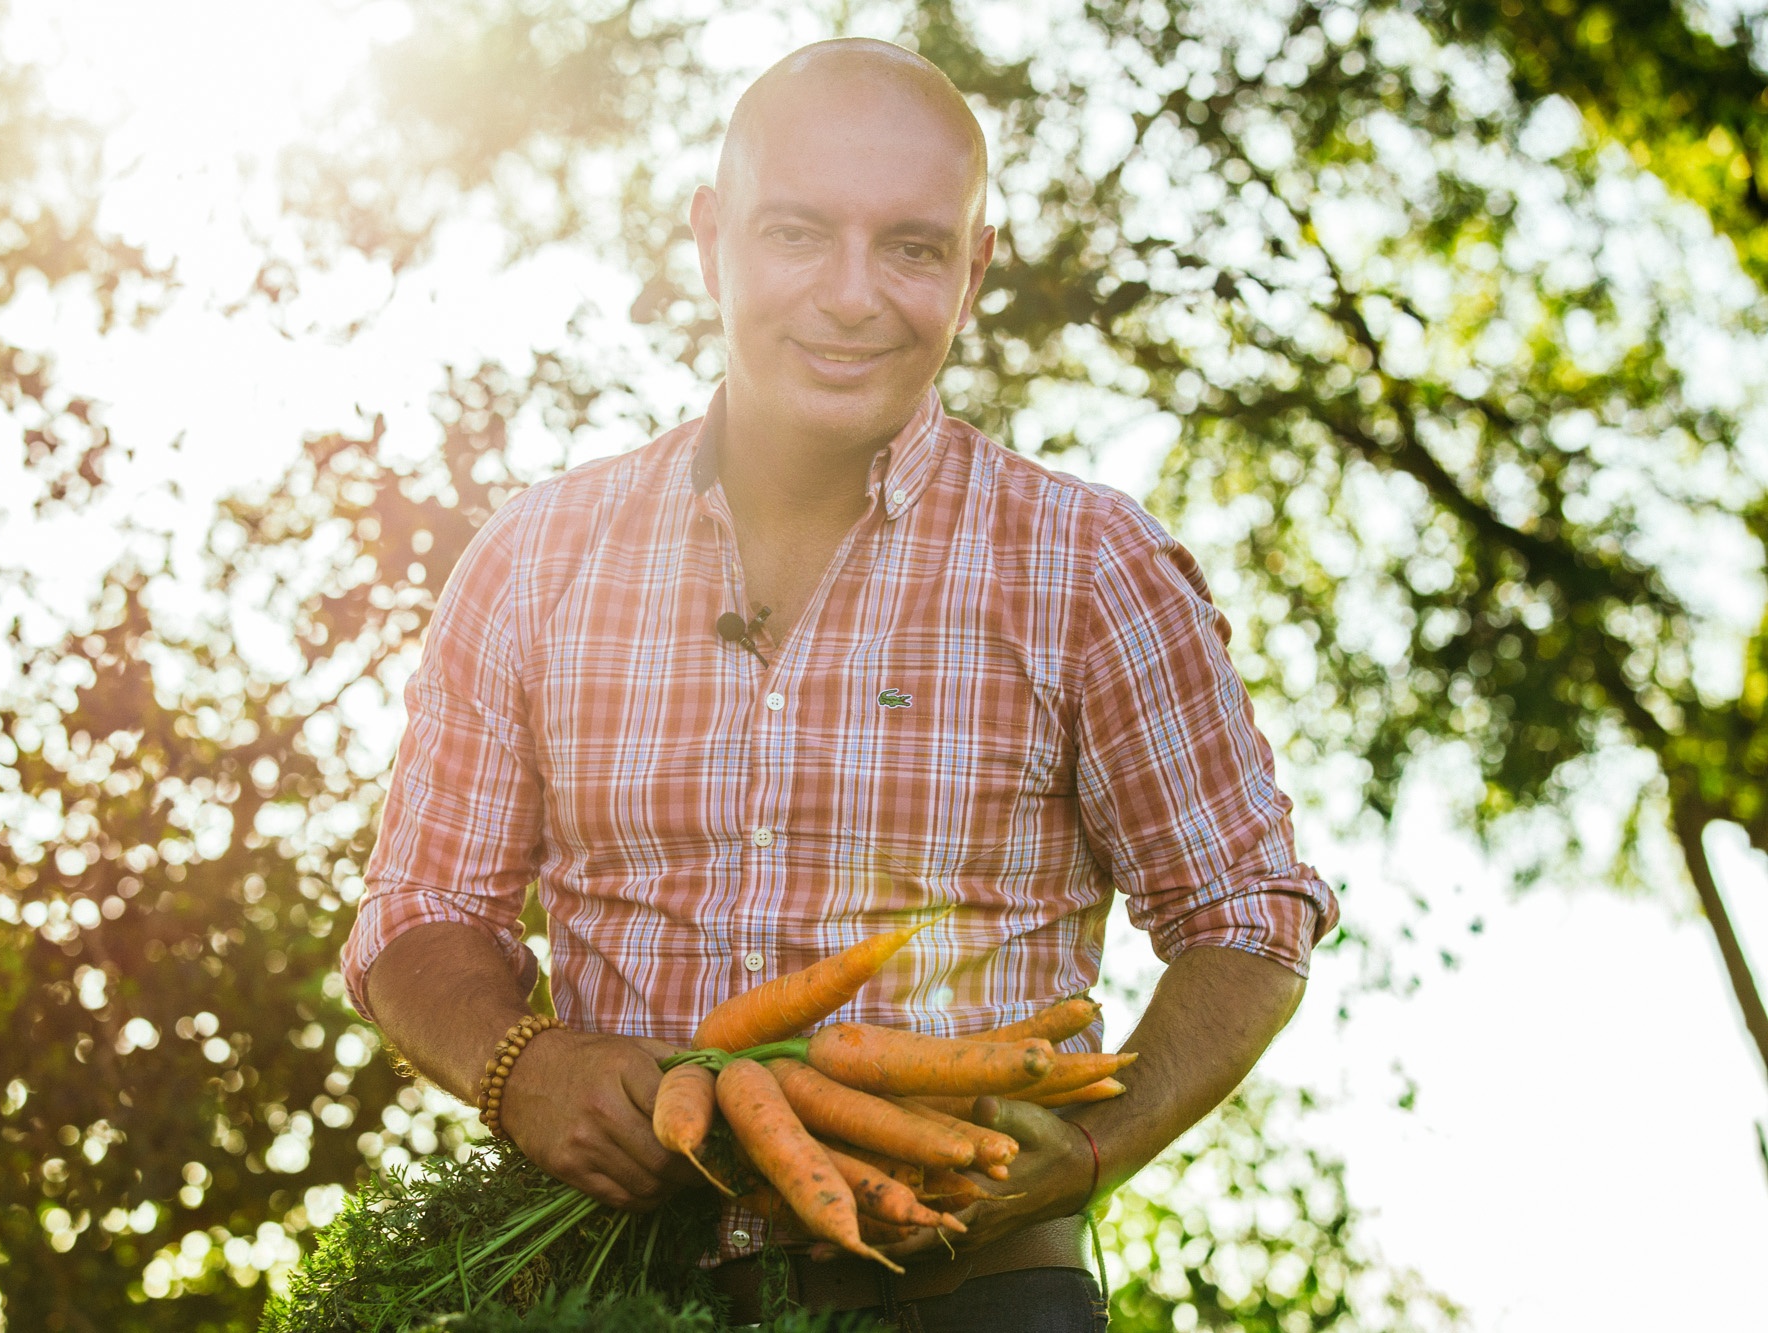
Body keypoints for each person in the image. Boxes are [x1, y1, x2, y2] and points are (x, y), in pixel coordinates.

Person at [343, 37, 1337, 1332]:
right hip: (610, 1291)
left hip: (970, 1291)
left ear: (973, 271)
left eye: (914, 248)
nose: (853, 295)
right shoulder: (534, 562)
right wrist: (520, 1065)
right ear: (712, 241)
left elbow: (1248, 916)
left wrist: (1095, 1146)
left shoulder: (1090, 567)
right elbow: (417, 912)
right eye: (799, 233)